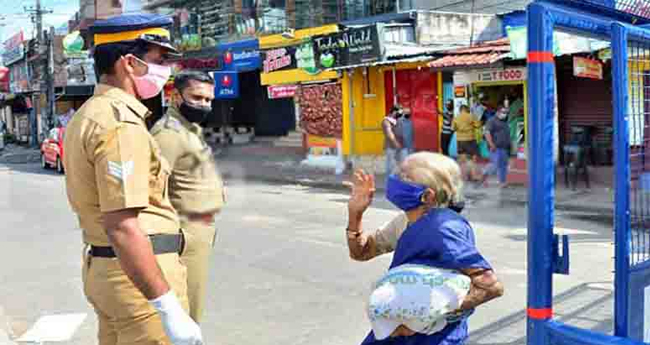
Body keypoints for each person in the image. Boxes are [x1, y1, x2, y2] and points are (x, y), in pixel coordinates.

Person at [62, 13, 203, 345]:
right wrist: (167, 307)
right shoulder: (120, 124)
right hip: (139, 283)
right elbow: (123, 225)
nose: (166, 69)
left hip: (111, 272)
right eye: (159, 59)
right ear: (129, 63)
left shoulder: (88, 114)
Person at [345, 152, 504, 344]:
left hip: (435, 337)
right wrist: (355, 214)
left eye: (404, 177)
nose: (395, 179)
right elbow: (361, 252)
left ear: (427, 196)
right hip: (399, 329)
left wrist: (420, 318)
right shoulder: (405, 221)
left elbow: (491, 286)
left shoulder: (444, 228)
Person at [151, 70, 225, 323]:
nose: (204, 105)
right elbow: (153, 191)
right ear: (175, 96)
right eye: (197, 97)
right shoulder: (168, 134)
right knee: (186, 314)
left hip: (198, 230)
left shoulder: (188, 128)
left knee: (193, 308)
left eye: (208, 100)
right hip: (184, 233)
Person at [480, 107, 511, 188]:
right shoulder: (491, 121)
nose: (504, 114)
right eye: (503, 112)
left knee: (503, 165)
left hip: (504, 147)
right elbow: (487, 133)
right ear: (497, 112)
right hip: (495, 147)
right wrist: (491, 144)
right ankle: (484, 173)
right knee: (495, 164)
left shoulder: (504, 122)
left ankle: (502, 182)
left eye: (506, 113)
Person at [452, 105, 481, 181]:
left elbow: (453, 128)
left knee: (462, 159)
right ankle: (473, 176)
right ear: (466, 109)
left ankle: (458, 176)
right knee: (472, 158)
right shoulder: (471, 116)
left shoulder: (456, 118)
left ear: (460, 110)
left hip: (460, 140)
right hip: (470, 139)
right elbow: (478, 125)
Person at [383, 105, 403, 175]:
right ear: (394, 112)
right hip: (390, 147)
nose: (400, 115)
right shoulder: (386, 121)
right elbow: (389, 134)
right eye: (399, 113)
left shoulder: (395, 121)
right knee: (390, 167)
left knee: (397, 167)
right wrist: (396, 143)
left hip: (397, 147)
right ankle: (389, 183)